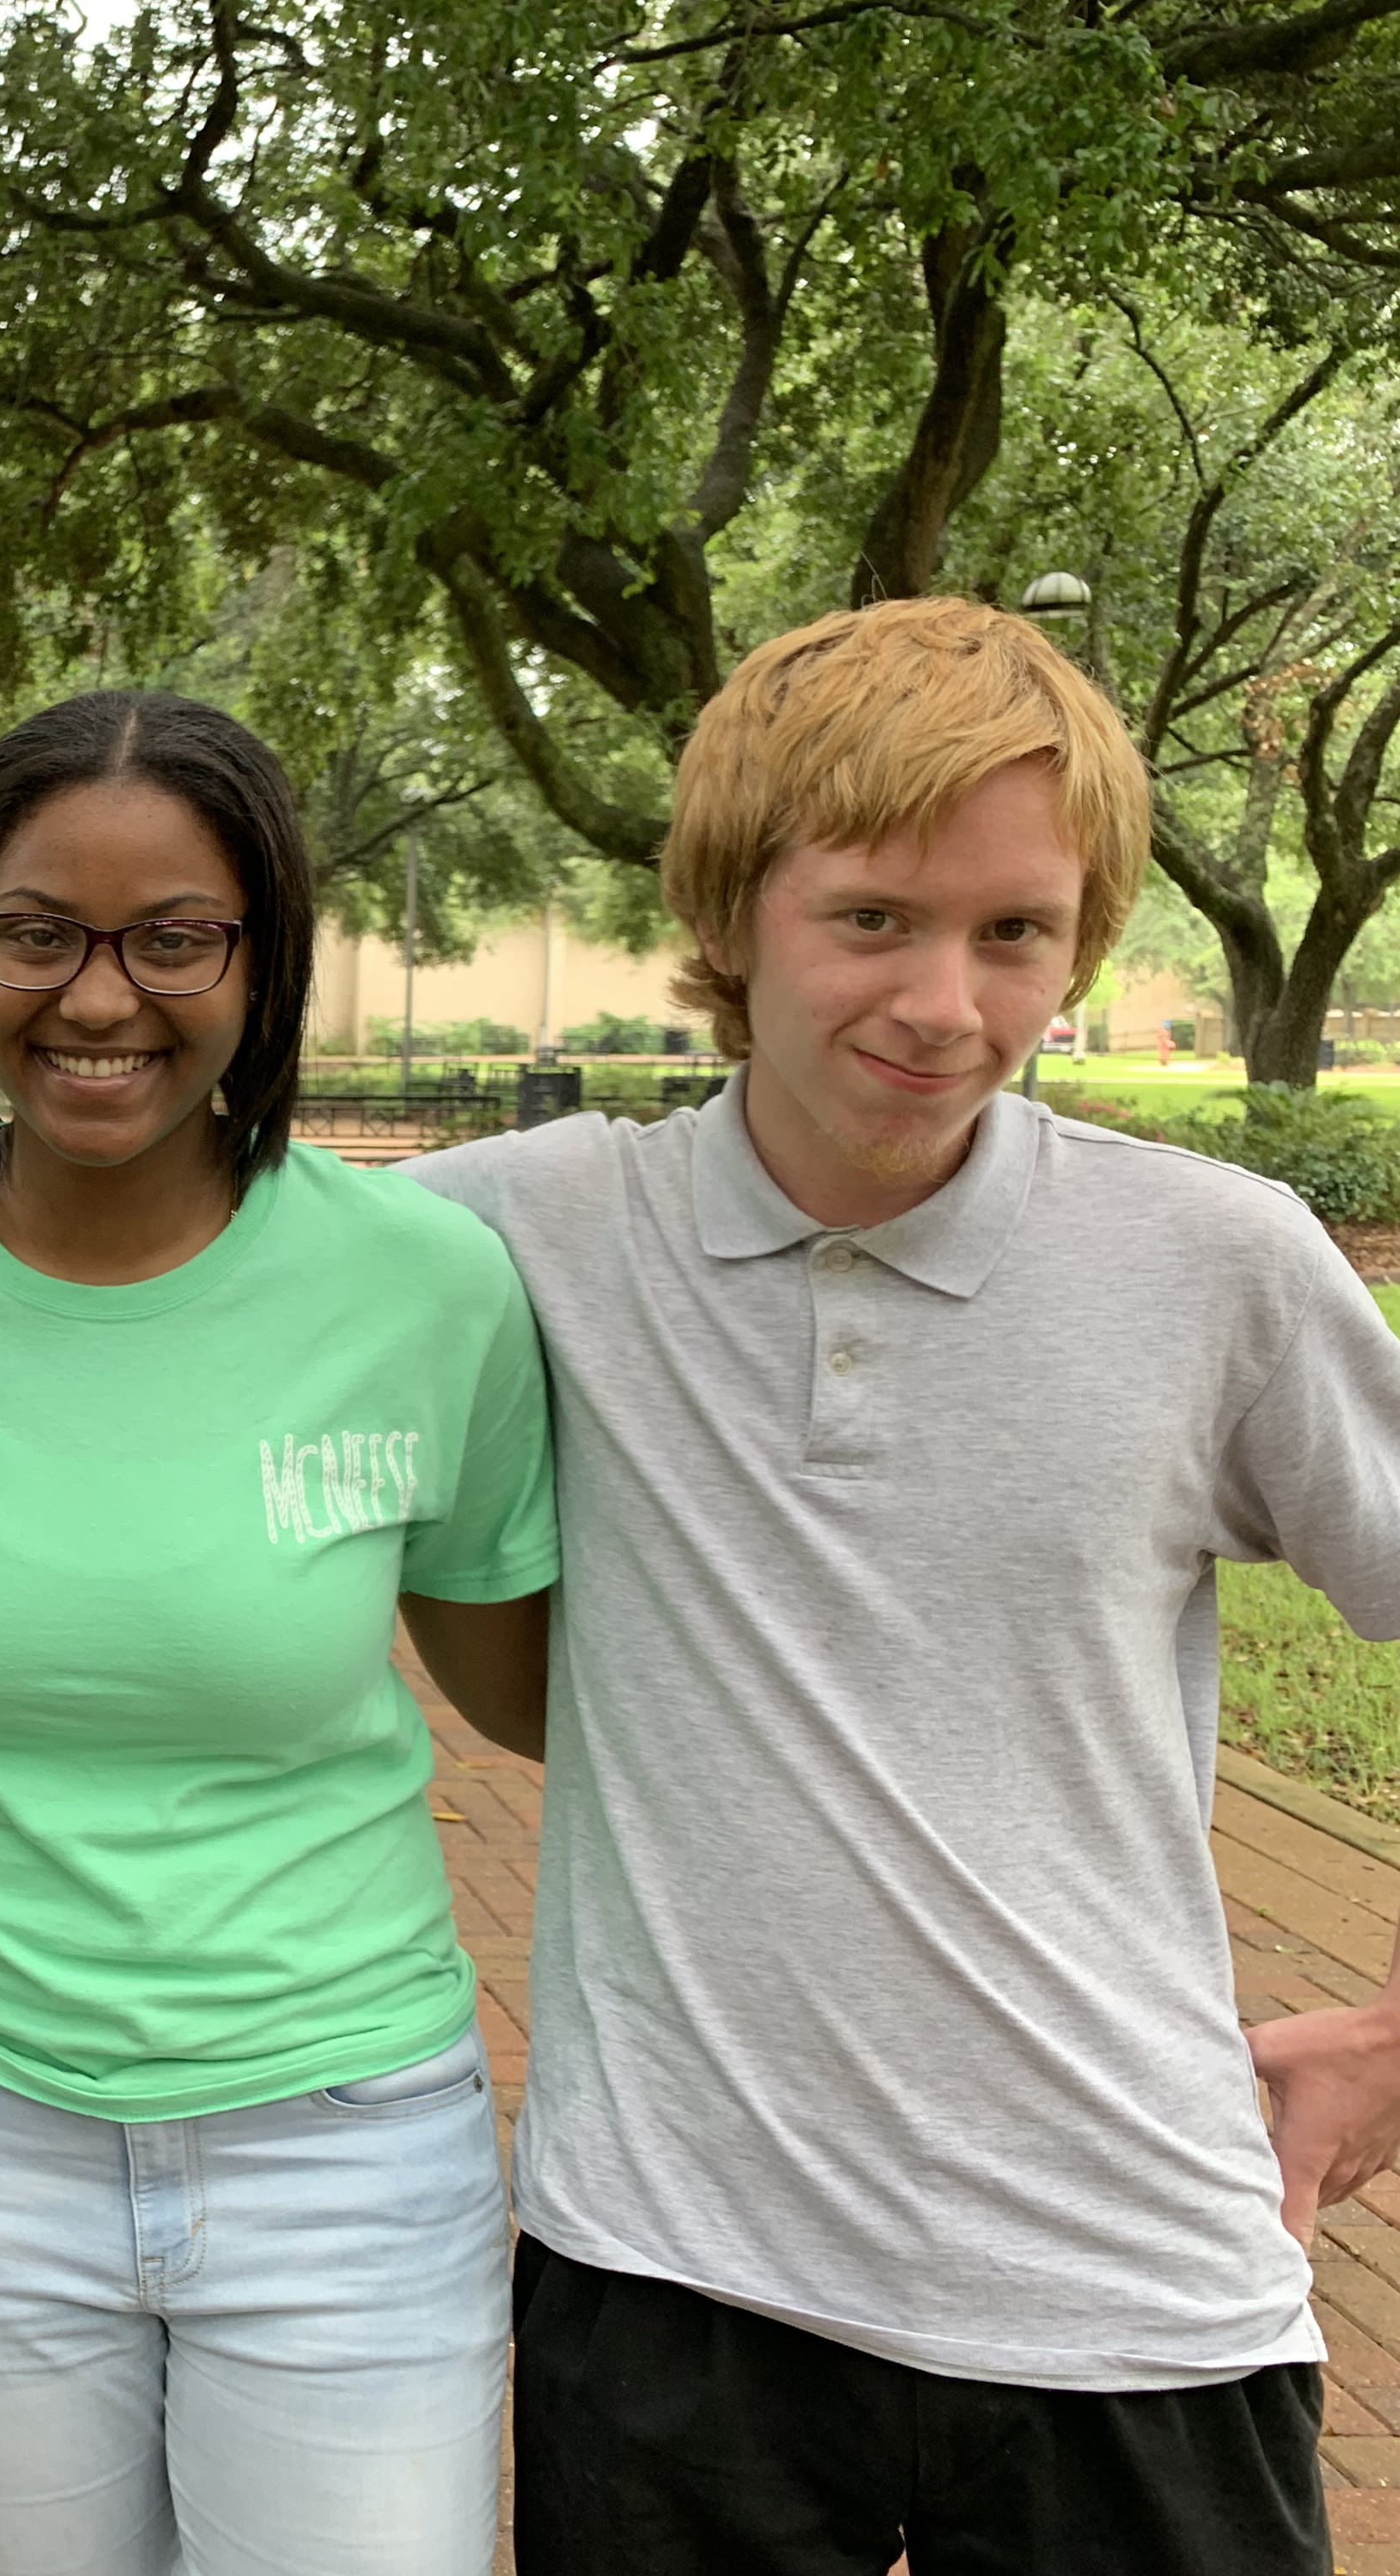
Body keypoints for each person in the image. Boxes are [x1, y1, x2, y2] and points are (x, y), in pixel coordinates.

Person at [405, 596, 1400, 2574]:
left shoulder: (1222, 1265)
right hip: (673, 2298)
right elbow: (120, 1261)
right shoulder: (522, 1235)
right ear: (731, 920)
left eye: (1014, 932)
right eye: (872, 918)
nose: (945, 1000)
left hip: (1139, 2307)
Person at [0, 691, 559, 2576]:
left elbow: (536, 1697)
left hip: (343, 2130)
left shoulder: (425, 1284)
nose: (101, 998)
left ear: (264, 962)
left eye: (176, 936)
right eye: (37, 934)